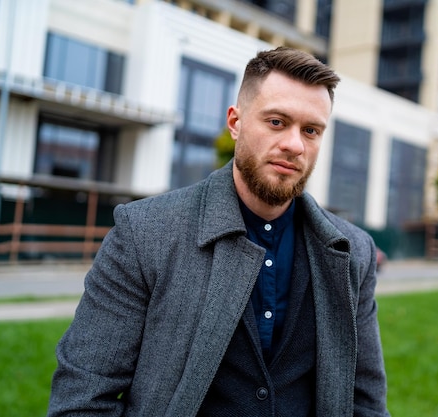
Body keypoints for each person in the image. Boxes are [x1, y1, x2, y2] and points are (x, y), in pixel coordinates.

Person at [48, 46, 390, 416]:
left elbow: (366, 405)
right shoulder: (144, 234)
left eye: (311, 130)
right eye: (276, 122)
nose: (294, 144)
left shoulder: (352, 252)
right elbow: (82, 400)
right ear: (235, 122)